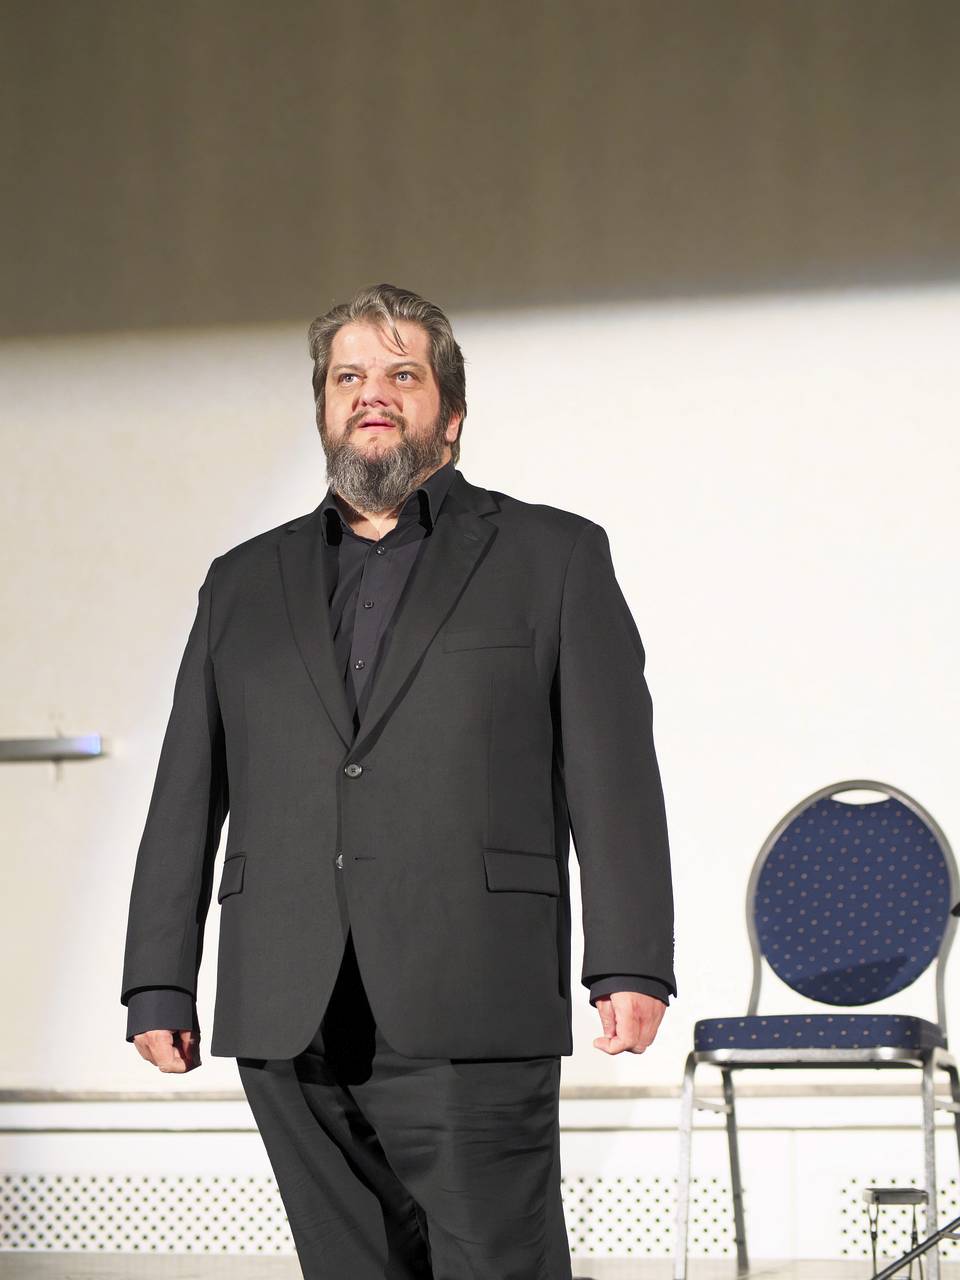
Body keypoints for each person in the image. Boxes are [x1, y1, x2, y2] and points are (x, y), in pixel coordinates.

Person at [120, 282, 676, 1279]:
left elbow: (614, 770)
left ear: (450, 416)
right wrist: (160, 975)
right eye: (348, 377)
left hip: (474, 991)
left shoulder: (552, 556)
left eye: (401, 374)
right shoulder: (240, 581)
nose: (370, 393)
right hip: (287, 1003)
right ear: (323, 411)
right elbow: (188, 785)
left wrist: (629, 960)